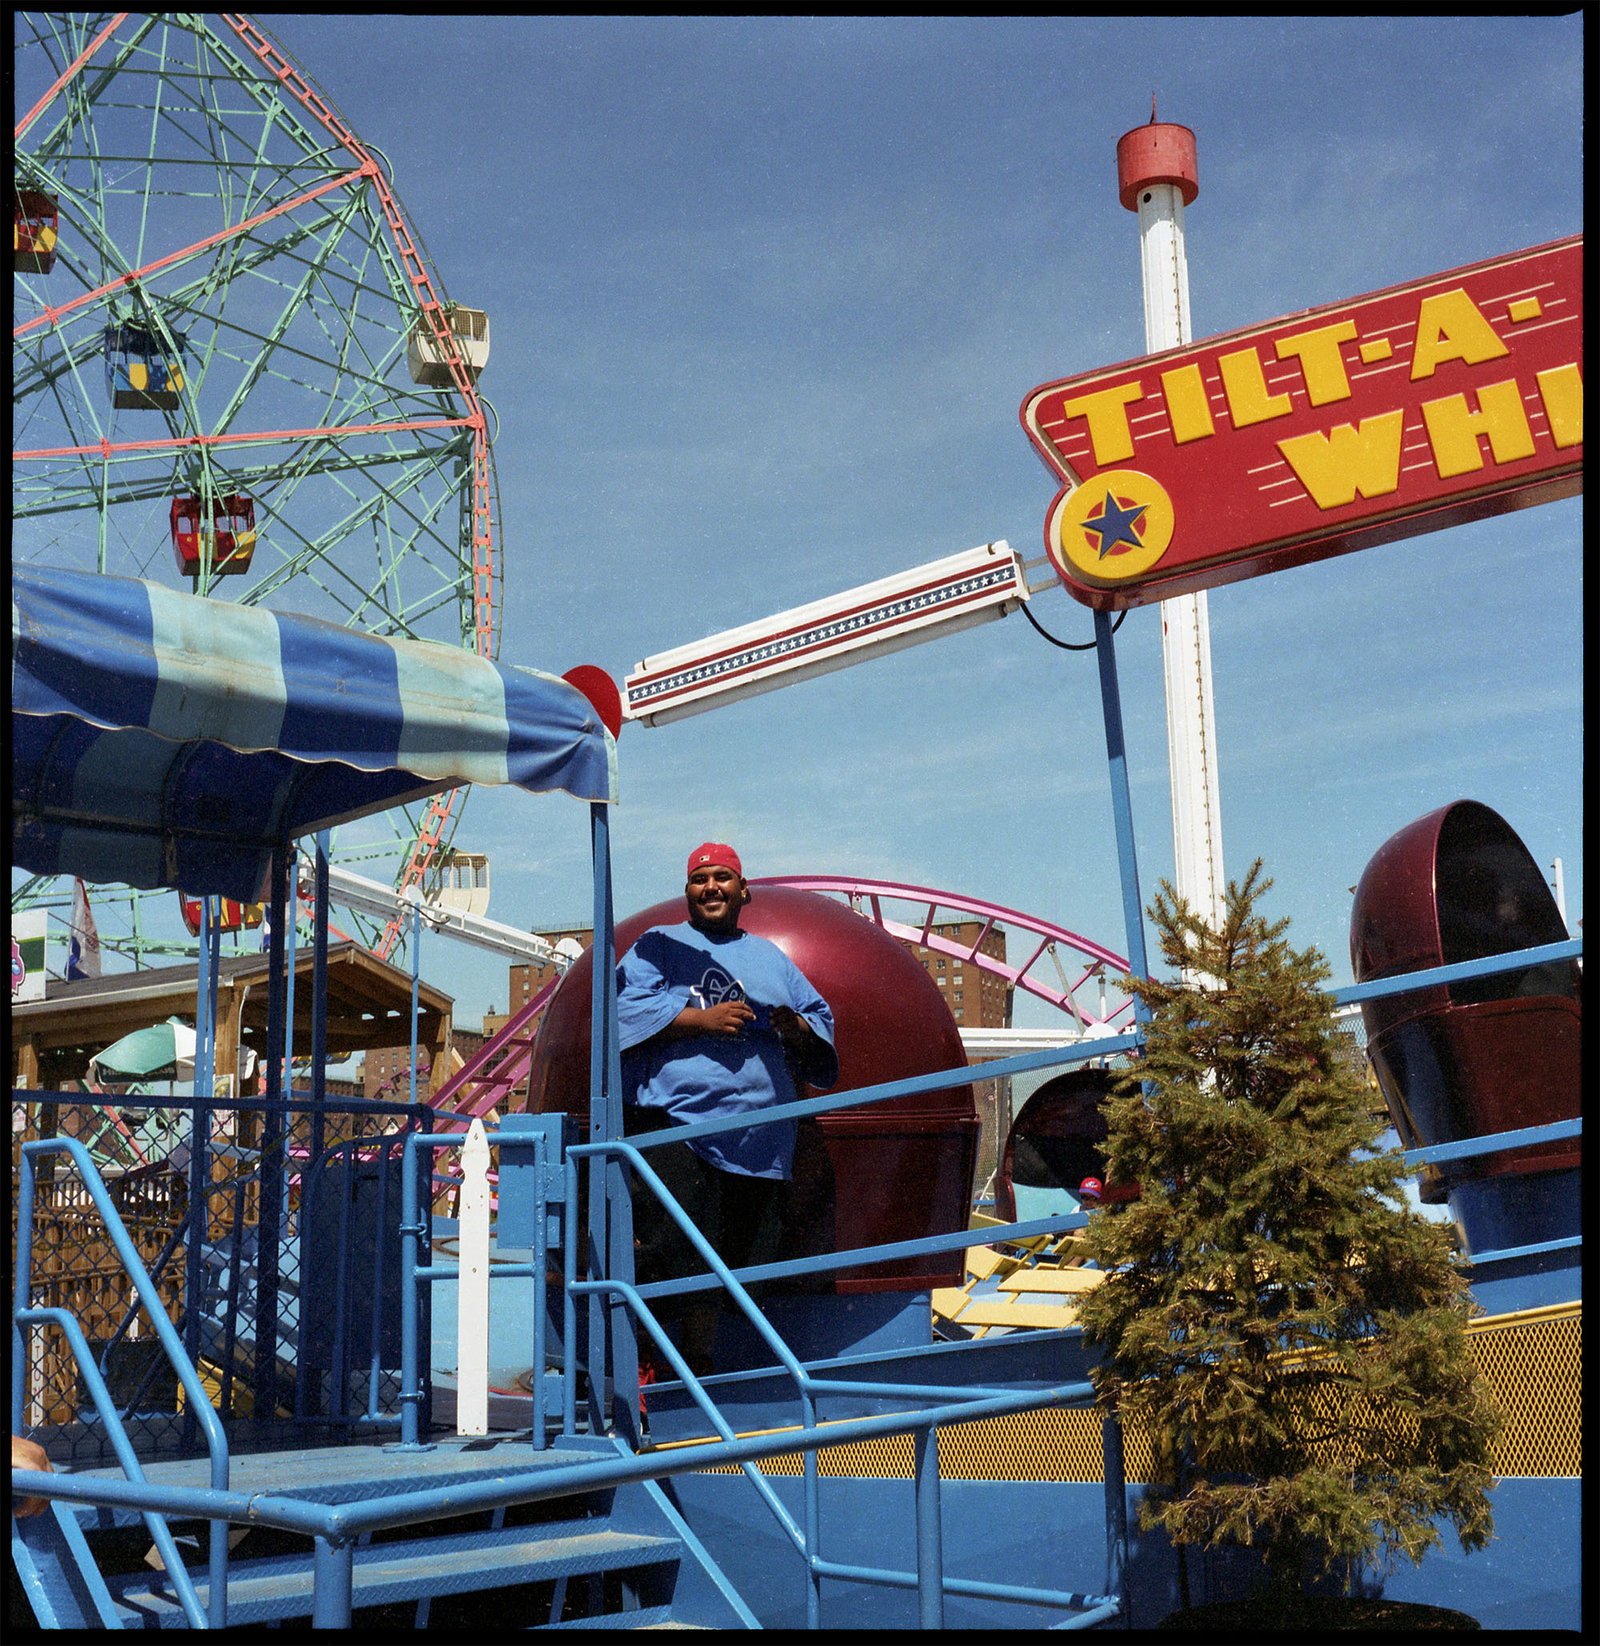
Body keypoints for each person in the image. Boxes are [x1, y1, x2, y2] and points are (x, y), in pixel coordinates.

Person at [616, 842, 837, 1376]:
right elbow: (621, 1008)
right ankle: (662, 1369)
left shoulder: (770, 958)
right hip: (677, 1128)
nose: (710, 887)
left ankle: (717, 1370)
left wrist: (794, 1027)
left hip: (759, 1138)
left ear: (743, 890)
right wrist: (700, 1019)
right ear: (687, 891)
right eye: (700, 879)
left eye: (722, 877)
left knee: (743, 1258)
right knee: (682, 1251)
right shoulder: (658, 945)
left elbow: (818, 1019)